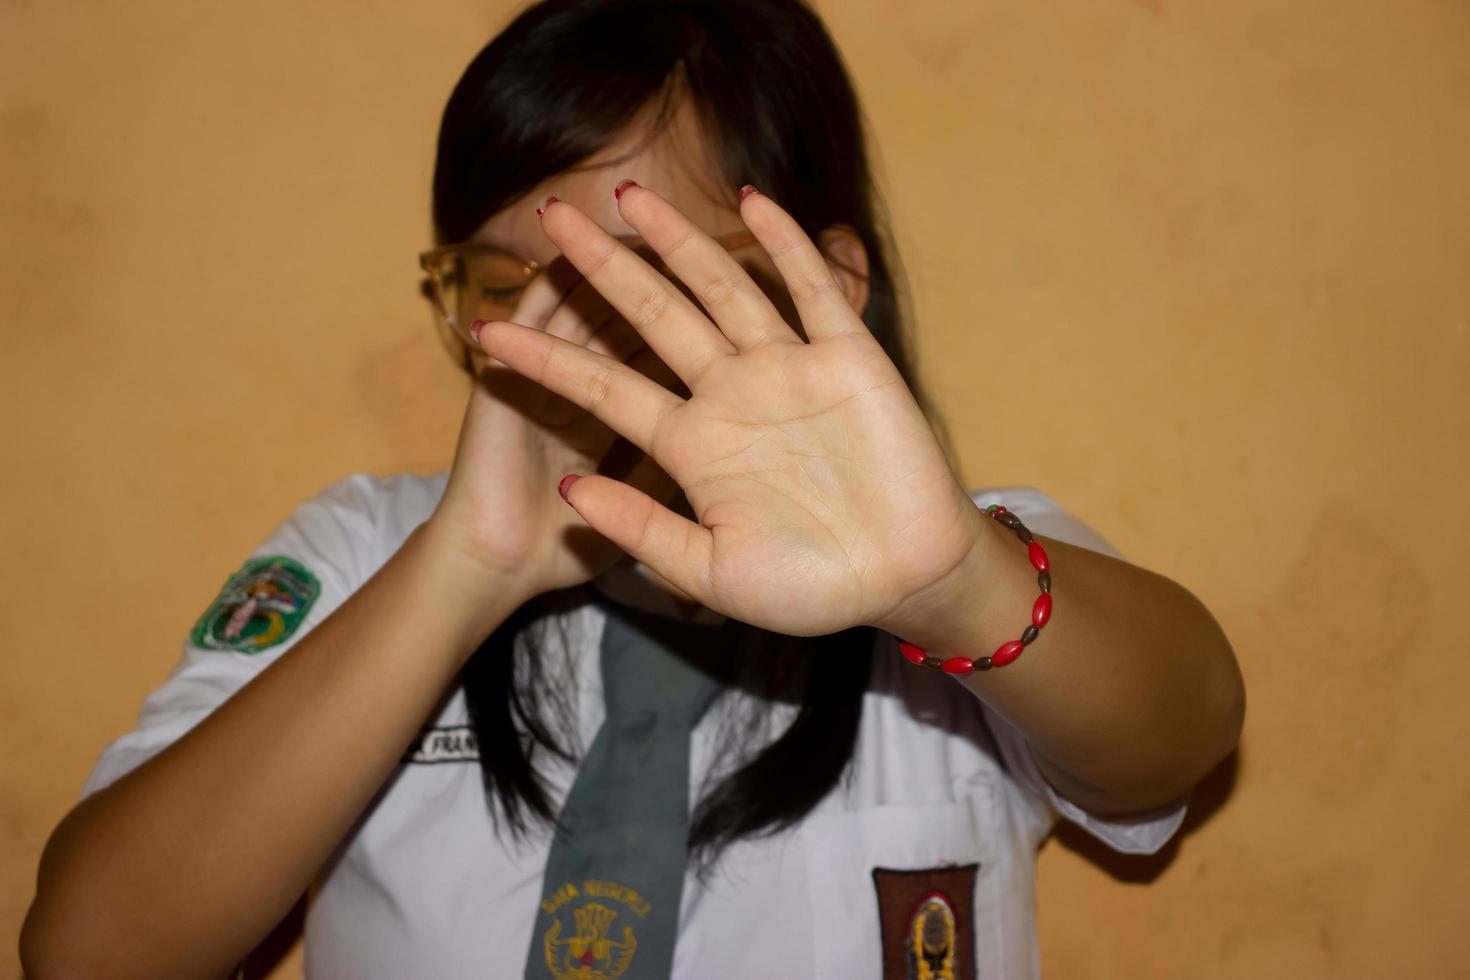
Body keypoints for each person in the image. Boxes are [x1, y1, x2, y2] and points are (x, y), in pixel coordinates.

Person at [21, 1, 1246, 977]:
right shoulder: (368, 552)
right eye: (511, 287)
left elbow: (1184, 731)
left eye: (641, 272)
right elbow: (86, 952)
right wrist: (468, 567)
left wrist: (949, 582)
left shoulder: (957, 567)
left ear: (825, 279)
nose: (576, 339)